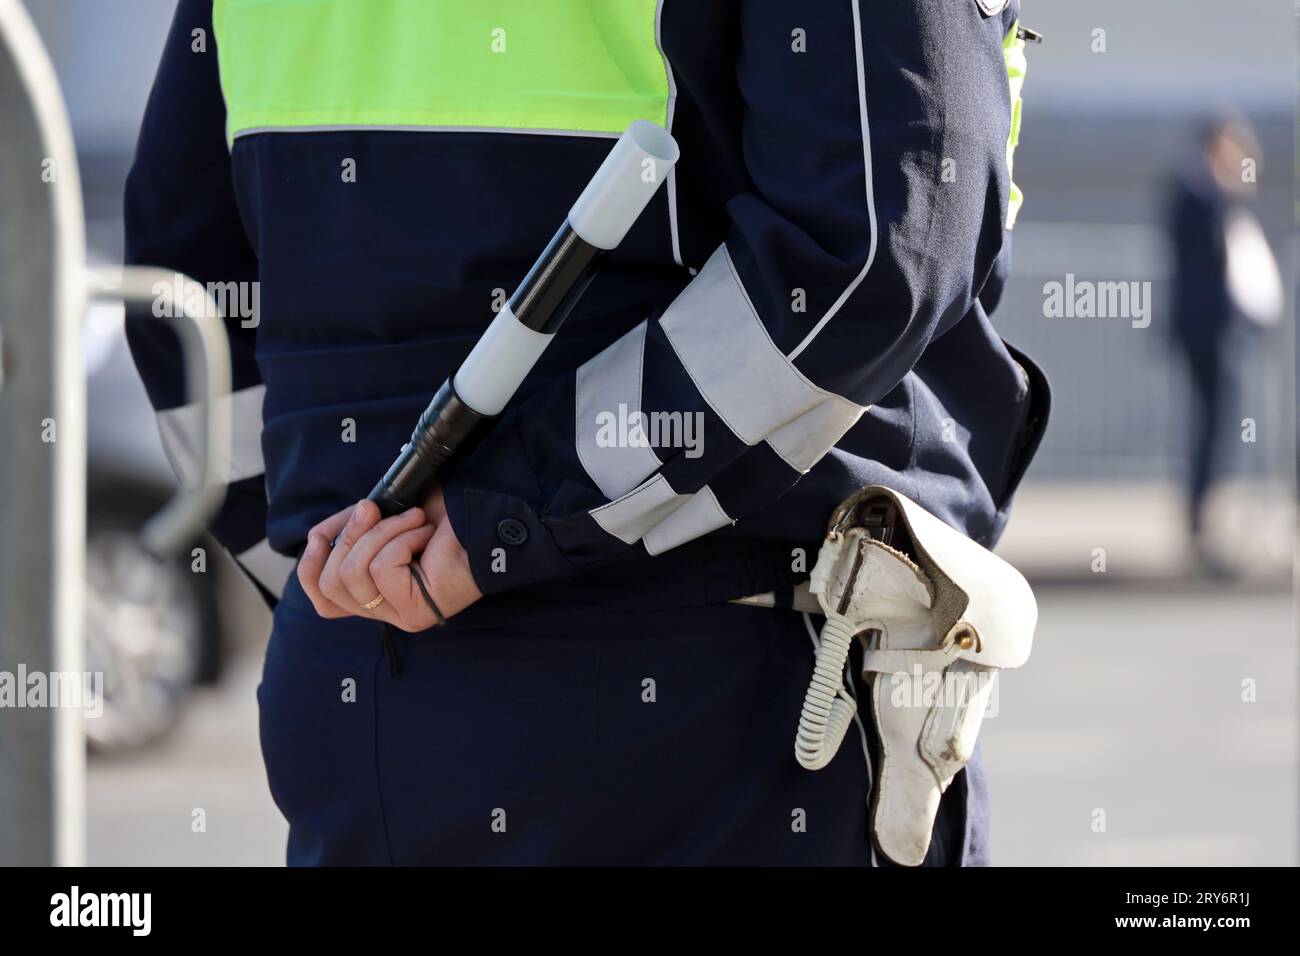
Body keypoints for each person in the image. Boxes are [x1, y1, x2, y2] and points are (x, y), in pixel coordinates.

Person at [125, 0, 1047, 866]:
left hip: (361, 696)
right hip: (713, 695)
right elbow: (868, 258)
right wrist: (507, 520)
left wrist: (348, 575)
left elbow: (179, 298)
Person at [1166, 115, 1278, 574]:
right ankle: (1201, 523)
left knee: (1222, 425)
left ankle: (1211, 520)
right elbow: (1207, 259)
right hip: (1204, 330)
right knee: (1210, 426)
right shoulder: (1195, 195)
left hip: (1223, 331)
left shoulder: (1219, 197)